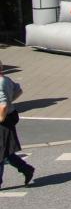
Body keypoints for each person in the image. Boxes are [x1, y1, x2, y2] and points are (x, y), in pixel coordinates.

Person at [0, 60, 33, 190]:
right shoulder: (6, 79)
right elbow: (19, 90)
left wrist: (1, 118)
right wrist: (10, 101)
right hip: (10, 116)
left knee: (1, 153)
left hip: (4, 120)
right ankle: (26, 168)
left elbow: (2, 106)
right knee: (6, 151)